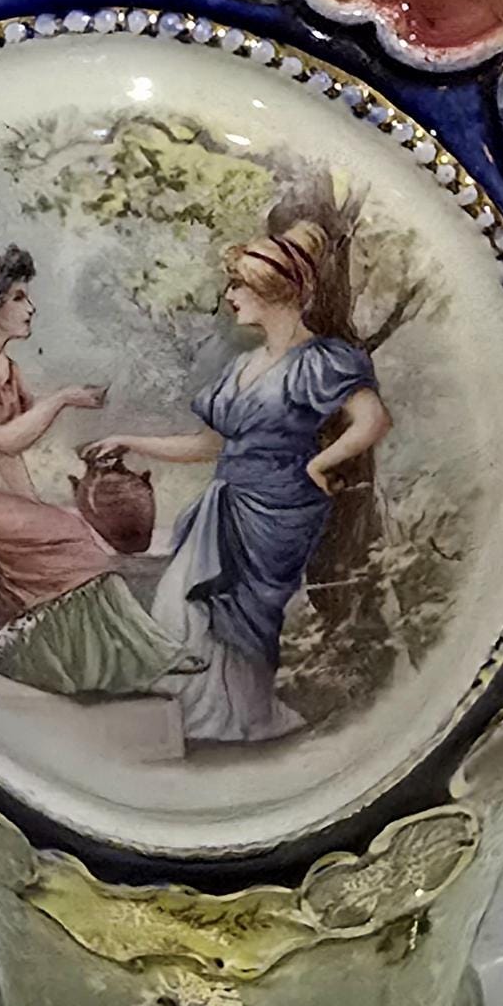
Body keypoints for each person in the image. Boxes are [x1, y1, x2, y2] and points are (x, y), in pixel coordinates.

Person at [91, 223, 390, 746]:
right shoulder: (242, 368)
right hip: (225, 503)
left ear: (271, 291)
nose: (229, 296)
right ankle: (206, 721)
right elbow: (207, 445)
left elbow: (372, 421)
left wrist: (320, 464)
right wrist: (130, 440)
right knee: (179, 606)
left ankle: (239, 724)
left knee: (236, 618)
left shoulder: (320, 361)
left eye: (238, 286)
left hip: (278, 507)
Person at [0, 243, 183, 698]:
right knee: (70, 536)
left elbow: (7, 459)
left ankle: (137, 654)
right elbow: (4, 439)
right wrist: (61, 399)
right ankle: (72, 659)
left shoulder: (7, 369)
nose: (31, 308)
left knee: (58, 529)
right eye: (19, 298)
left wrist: (33, 511)